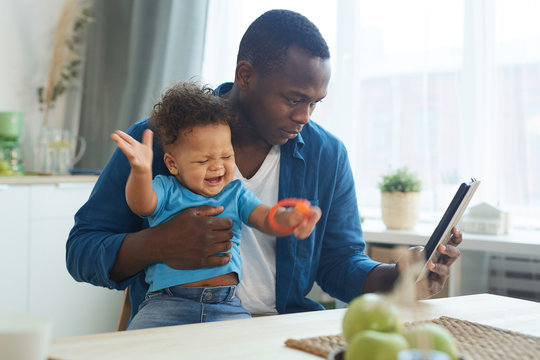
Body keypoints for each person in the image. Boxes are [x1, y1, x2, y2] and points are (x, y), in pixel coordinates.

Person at [66, 9, 462, 326]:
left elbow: (339, 263)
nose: (304, 116)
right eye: (294, 99)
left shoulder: (327, 155)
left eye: (315, 103)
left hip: (280, 335)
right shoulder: (156, 140)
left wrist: (400, 274)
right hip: (175, 327)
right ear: (246, 75)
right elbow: (81, 250)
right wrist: (159, 243)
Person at [110, 82, 320, 328]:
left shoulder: (236, 193)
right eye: (203, 160)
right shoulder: (165, 188)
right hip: (166, 304)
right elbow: (141, 205)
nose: (218, 166)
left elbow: (264, 218)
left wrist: (288, 219)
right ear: (172, 164)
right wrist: (141, 172)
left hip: (227, 307)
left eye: (227, 156)